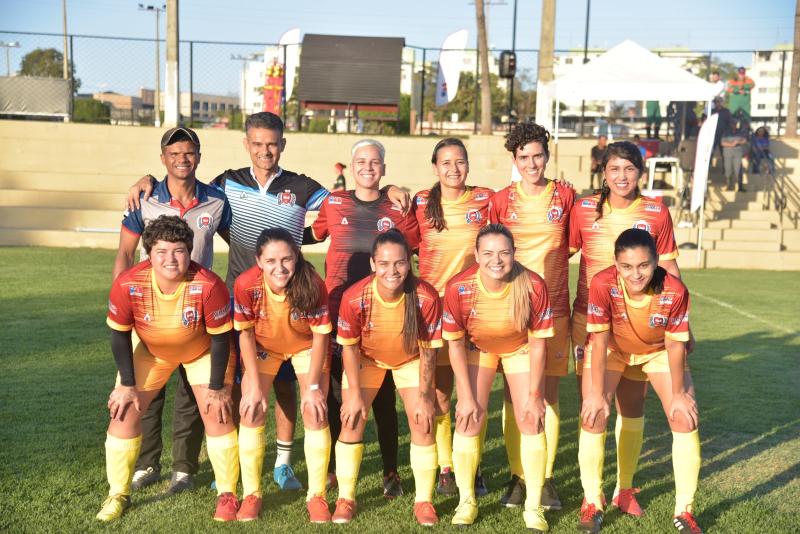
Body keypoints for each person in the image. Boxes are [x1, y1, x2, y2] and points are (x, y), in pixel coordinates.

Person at [126, 113, 410, 492]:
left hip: (291, 303)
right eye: (257, 144)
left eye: (272, 144)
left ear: (282, 145)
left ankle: (283, 463)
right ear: (247, 144)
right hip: (238, 299)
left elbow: (351, 199)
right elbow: (183, 182)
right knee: (235, 385)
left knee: (286, 387)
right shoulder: (226, 184)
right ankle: (232, 466)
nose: (265, 151)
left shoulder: (303, 186)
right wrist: (148, 180)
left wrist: (388, 186)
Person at [113, 126, 232, 494]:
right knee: (147, 391)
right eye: (174, 153)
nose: (182, 159)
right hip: (150, 306)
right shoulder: (144, 198)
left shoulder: (216, 199)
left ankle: (184, 469)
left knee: (193, 395)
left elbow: (238, 244)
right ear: (162, 157)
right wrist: (124, 301)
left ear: (199, 155)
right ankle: (148, 464)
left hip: (197, 309)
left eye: (189, 152)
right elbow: (125, 253)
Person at [569, 141, 683, 519]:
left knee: (632, 408)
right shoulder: (584, 209)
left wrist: (683, 322)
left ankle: (625, 489)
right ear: (604, 172)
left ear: (640, 173)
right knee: (593, 409)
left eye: (629, 169)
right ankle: (592, 498)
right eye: (614, 169)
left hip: (640, 324)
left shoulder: (655, 211)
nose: (621, 176)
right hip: (593, 325)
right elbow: (556, 251)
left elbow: (669, 269)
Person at [97, 215, 238, 522]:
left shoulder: (208, 284)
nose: (171, 259)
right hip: (151, 351)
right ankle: (118, 494)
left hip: (202, 352)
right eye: (161, 251)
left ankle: (227, 494)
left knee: (218, 412)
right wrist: (127, 384)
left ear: (190, 251)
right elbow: (119, 335)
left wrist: (217, 387)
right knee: (122, 412)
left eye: (179, 250)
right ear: (148, 253)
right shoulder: (129, 283)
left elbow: (220, 340)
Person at [310, 138, 420, 498]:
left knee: (383, 397)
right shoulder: (334, 202)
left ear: (384, 169)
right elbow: (311, 232)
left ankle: (391, 472)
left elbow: (420, 245)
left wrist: (396, 191)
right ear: (351, 166)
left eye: (375, 162)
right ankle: (329, 469)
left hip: (383, 313)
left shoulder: (398, 206)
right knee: (335, 395)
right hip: (336, 310)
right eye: (361, 161)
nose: (368, 167)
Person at [578, 228, 701, 534]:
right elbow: (600, 338)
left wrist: (678, 394)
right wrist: (595, 394)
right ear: (616, 264)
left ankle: (683, 510)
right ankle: (592, 501)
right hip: (612, 350)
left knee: (684, 417)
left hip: (657, 351)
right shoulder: (602, 283)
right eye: (627, 266)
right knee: (594, 414)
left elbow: (675, 345)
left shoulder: (674, 289)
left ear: (657, 261)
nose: (636, 274)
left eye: (644, 265)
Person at [443, 224, 554, 531]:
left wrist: (535, 395)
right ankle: (467, 500)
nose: (497, 259)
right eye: (488, 253)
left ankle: (533, 505)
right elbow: (454, 344)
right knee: (469, 417)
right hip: (478, 349)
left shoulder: (532, 284)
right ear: (476, 255)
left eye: (504, 252)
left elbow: (538, 343)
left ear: (514, 254)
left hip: (519, 349)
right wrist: (464, 397)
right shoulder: (458, 287)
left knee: (531, 418)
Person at [490, 122, 575, 510]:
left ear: (547, 154)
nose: (531, 163)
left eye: (537, 155)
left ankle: (546, 478)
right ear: (514, 159)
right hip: (510, 309)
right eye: (523, 157)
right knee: (513, 395)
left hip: (554, 308)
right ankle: (518, 477)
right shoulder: (501, 200)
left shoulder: (566, 195)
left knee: (548, 396)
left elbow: (572, 245)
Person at [332, 229, 442, 526]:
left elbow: (429, 352)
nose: (392, 270)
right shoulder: (355, 297)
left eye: (400, 263)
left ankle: (424, 501)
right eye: (384, 263)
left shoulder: (425, 297)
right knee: (352, 418)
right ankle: (346, 497)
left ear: (409, 263)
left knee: (422, 419)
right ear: (372, 264)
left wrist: (425, 396)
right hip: (367, 359)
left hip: (410, 360)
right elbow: (350, 349)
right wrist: (354, 393)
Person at [412, 138, 494, 497]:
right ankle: (447, 468)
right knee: (442, 394)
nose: (453, 169)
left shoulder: (485, 199)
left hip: (476, 309)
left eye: (459, 162)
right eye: (445, 163)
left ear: (468, 165)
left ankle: (471, 468)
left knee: (474, 394)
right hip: (434, 310)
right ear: (434, 168)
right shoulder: (419, 202)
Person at [233, 228, 333, 522]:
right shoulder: (245, 284)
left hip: (305, 347)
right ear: (259, 261)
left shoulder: (313, 283)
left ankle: (317, 497)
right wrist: (252, 386)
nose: (280, 268)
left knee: (315, 411)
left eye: (287, 259)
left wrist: (314, 386)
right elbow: (246, 336)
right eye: (271, 260)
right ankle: (252, 495)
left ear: (297, 257)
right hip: (265, 347)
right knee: (251, 410)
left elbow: (320, 338)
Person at [721, 126, 748, 192]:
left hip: (737, 153)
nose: (734, 125)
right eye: (732, 123)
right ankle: (728, 185)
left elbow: (744, 140)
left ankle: (740, 186)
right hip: (728, 153)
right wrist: (732, 144)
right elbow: (722, 143)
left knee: (738, 170)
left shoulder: (740, 132)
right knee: (728, 169)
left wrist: (738, 142)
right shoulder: (726, 133)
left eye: (735, 123)